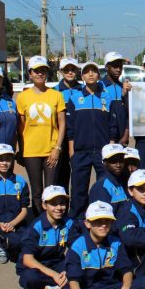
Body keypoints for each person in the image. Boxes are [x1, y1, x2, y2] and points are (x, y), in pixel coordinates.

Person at [52, 201, 145, 289]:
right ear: (87, 223)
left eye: (107, 221)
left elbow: (126, 270)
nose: (103, 225)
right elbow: (73, 280)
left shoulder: (116, 243)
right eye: (98, 221)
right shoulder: (78, 246)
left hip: (110, 288)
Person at [17, 55, 66, 214]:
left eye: (43, 70)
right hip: (31, 151)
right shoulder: (23, 97)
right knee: (36, 192)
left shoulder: (56, 95)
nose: (39, 74)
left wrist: (57, 148)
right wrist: (22, 151)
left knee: (51, 190)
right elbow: (20, 127)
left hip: (51, 149)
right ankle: (39, 223)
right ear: (30, 73)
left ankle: (53, 222)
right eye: (36, 71)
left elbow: (62, 123)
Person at [66, 60, 116, 217]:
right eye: (87, 72)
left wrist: (111, 146)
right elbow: (70, 128)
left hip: (102, 152)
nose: (91, 74)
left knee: (104, 186)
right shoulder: (75, 98)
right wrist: (72, 152)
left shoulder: (107, 98)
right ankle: (77, 221)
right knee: (79, 189)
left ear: (99, 75)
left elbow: (112, 125)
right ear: (82, 76)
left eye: (93, 71)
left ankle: (104, 217)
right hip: (81, 152)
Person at [18, 185, 76, 289]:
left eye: (62, 203)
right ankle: (63, 284)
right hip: (36, 265)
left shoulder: (68, 223)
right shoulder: (36, 227)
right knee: (29, 278)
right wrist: (54, 275)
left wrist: (68, 268)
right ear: (44, 205)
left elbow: (76, 248)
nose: (59, 207)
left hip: (57, 262)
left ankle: (56, 287)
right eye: (53, 204)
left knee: (80, 268)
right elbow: (27, 259)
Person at [55, 57, 81, 191]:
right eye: (67, 70)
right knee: (62, 174)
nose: (70, 72)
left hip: (80, 137)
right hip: (61, 139)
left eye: (73, 69)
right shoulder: (54, 91)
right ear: (61, 71)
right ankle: (62, 205)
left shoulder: (84, 89)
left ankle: (77, 206)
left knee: (79, 174)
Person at [87, 143, 129, 215]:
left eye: (121, 160)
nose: (118, 165)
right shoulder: (101, 187)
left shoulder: (122, 182)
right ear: (104, 162)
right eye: (113, 161)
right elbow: (102, 219)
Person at [101, 51, 132, 145]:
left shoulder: (124, 87)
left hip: (122, 139)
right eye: (115, 66)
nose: (118, 69)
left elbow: (129, 115)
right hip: (104, 139)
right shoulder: (99, 87)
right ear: (107, 67)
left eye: (120, 66)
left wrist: (125, 136)